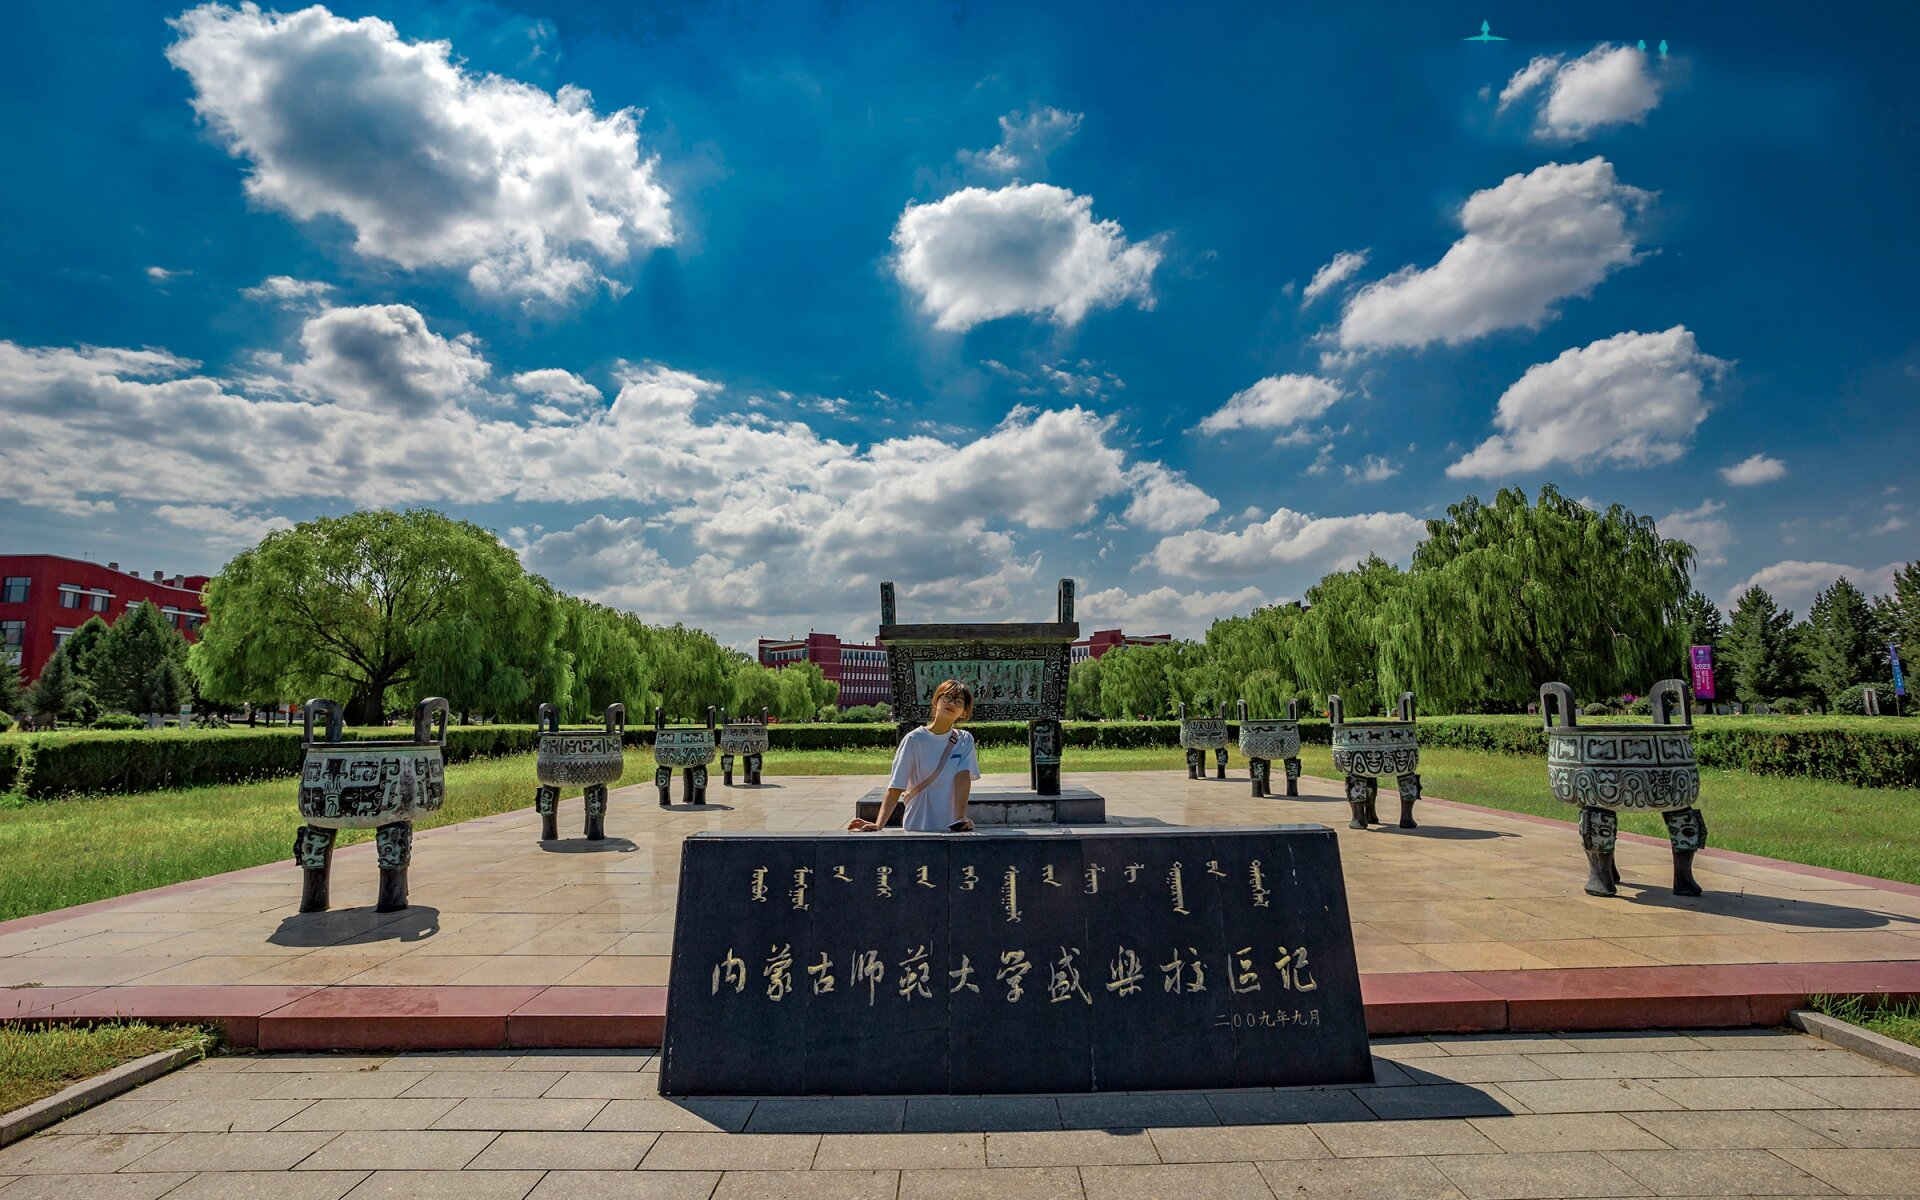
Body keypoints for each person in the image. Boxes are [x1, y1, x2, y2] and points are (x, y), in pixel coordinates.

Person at [847, 679, 980, 832]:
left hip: (950, 827)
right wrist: (879, 824)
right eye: (948, 697)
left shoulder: (965, 740)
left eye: (959, 701)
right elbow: (896, 786)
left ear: (963, 712)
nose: (952, 703)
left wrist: (960, 819)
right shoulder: (914, 739)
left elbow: (962, 779)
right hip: (918, 824)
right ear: (936, 701)